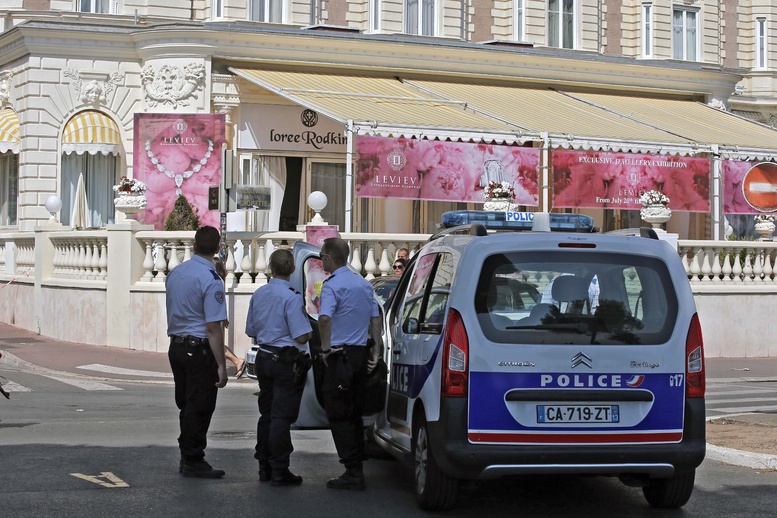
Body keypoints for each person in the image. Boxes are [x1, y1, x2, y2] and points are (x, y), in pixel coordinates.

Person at [318, 237, 383, 491]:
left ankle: (352, 470)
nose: (322, 259)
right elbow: (375, 320)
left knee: (339, 413)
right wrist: (375, 352)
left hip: (339, 356)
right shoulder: (363, 285)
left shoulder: (332, 286)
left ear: (329, 258)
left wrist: (324, 349)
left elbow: (323, 319)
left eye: (323, 255)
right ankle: (356, 464)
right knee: (355, 411)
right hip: (359, 355)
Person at [245, 249, 313, 487]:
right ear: (293, 269)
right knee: (281, 417)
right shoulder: (291, 297)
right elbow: (302, 336)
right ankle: (279, 468)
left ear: (270, 268)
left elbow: (251, 330)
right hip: (285, 360)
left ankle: (264, 464)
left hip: (265, 357)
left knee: (267, 414)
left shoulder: (259, 294)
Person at [166, 225, 228, 479]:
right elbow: (213, 327)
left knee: (186, 403)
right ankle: (193, 458)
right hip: (198, 348)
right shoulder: (210, 279)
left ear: (194, 245)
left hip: (177, 346)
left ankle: (188, 455)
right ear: (217, 248)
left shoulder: (176, 273)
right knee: (200, 405)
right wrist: (222, 365)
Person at [211, 255, 247, 379]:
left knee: (217, 344)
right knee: (217, 344)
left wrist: (224, 317)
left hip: (216, 318)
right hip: (217, 317)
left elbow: (219, 301)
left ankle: (237, 361)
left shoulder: (216, 281)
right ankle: (237, 361)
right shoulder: (217, 280)